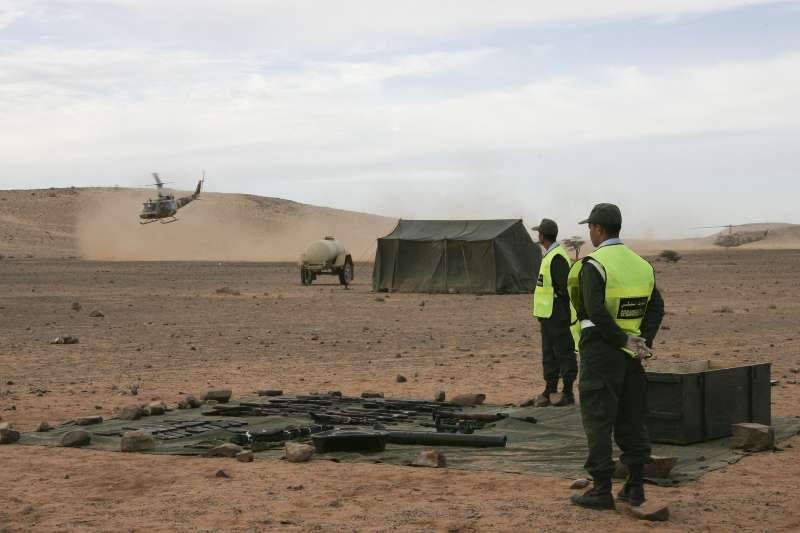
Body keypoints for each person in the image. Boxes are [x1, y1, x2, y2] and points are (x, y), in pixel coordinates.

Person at [566, 203, 664, 510]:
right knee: (632, 417)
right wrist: (639, 340)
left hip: (601, 351)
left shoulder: (594, 264)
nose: (589, 233)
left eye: (590, 228)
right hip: (631, 355)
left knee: (598, 420)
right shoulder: (641, 264)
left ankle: (601, 489)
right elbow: (657, 307)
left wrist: (620, 338)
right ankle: (634, 488)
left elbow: (594, 311)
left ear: (597, 229)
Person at [531, 218, 577, 407]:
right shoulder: (550, 255)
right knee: (549, 353)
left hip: (557, 315)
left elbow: (564, 287)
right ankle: (550, 389)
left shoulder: (557, 256)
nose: (538, 236)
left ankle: (567, 391)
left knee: (564, 352)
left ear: (542, 235)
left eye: (538, 233)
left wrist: (560, 308)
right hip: (547, 315)